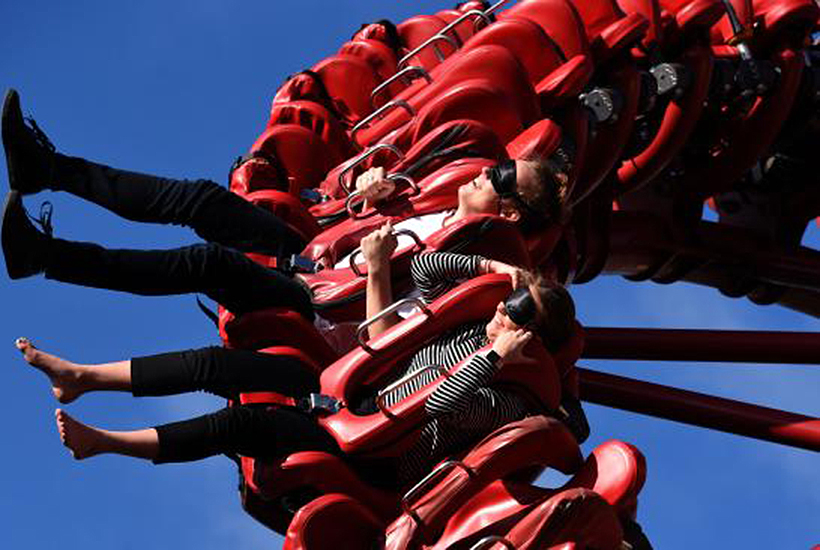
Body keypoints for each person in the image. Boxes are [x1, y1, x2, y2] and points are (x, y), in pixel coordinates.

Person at [1, 89, 570, 331]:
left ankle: (45, 256)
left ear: (512, 214)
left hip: (324, 305)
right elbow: (349, 211)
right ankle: (47, 170)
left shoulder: (472, 256)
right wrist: (363, 191)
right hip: (314, 256)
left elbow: (400, 328)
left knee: (204, 264)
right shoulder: (443, 209)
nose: (483, 171)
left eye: (498, 177)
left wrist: (373, 266)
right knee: (203, 200)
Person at [18, 247, 577, 489]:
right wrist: (491, 271)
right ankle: (84, 377)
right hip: (356, 396)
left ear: (532, 339)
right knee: (222, 366)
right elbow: (429, 270)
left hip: (376, 454)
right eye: (512, 300)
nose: (504, 310)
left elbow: (435, 405)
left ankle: (107, 442)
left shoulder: (509, 396)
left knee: (241, 428)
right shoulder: (467, 326)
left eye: (519, 311)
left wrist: (493, 356)